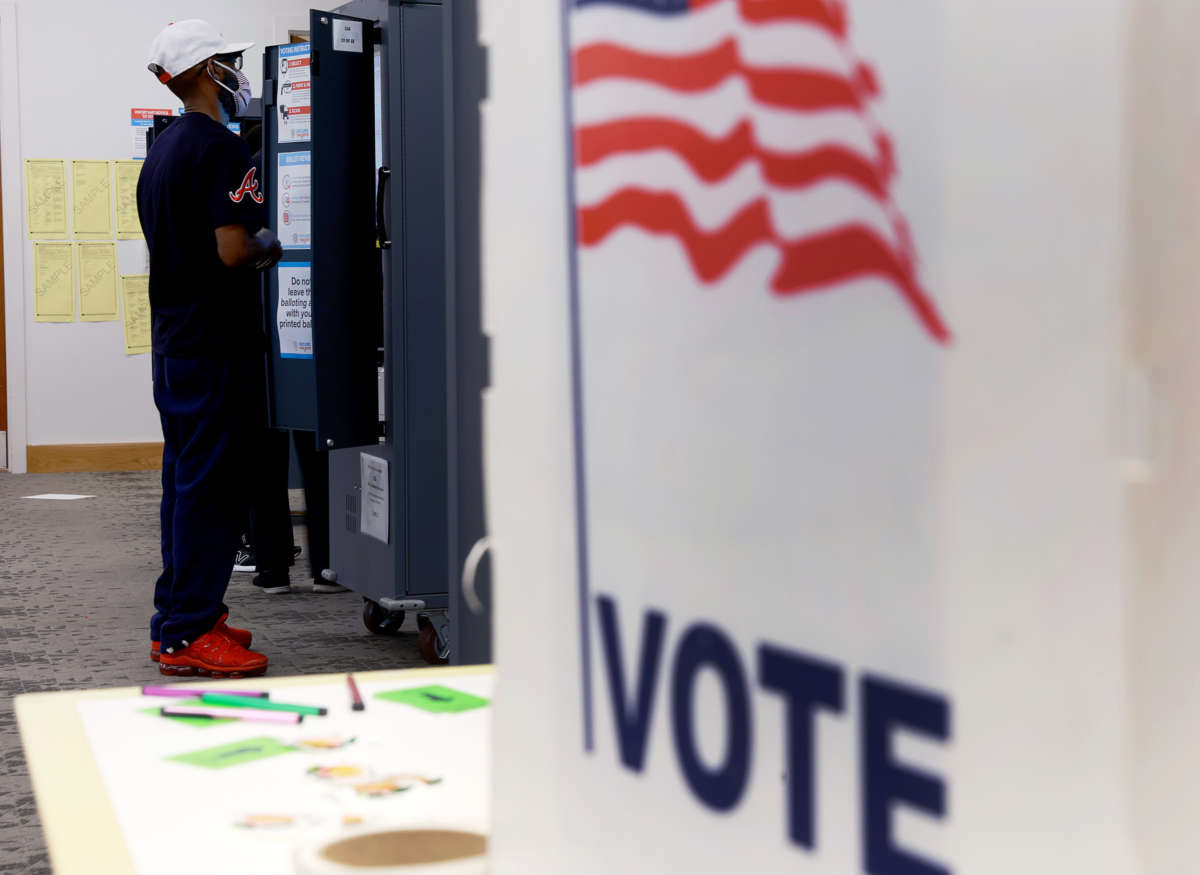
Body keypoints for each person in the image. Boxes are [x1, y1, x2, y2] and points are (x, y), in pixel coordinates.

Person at [138, 19, 283, 677]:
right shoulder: (223, 149)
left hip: (174, 344)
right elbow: (231, 249)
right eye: (227, 60)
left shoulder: (163, 149)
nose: (235, 70)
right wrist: (269, 247)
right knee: (212, 490)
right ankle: (189, 632)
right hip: (216, 346)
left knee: (183, 483)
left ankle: (178, 616)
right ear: (201, 70)